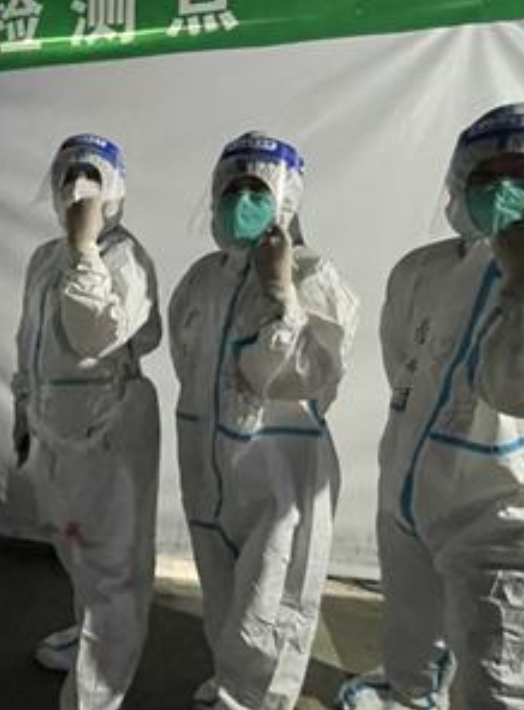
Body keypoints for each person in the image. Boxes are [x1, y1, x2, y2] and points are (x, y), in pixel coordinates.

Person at [336, 103, 524, 710]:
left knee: (495, 680)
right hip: (413, 494)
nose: (500, 188)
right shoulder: (422, 271)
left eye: (519, 173)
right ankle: (410, 698)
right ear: (459, 182)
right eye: (484, 174)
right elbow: (406, 372)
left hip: (508, 511)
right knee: (411, 640)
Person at [170, 132, 359, 710]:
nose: (242, 201)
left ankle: (255, 701)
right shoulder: (202, 278)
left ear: (286, 199)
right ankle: (232, 686)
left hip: (279, 474)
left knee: (271, 603)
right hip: (207, 461)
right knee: (222, 590)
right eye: (232, 189)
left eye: (258, 190)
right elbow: (185, 359)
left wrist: (280, 292)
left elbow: (307, 376)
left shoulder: (313, 275)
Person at [10, 134, 162, 710]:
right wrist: (24, 407)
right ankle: (90, 637)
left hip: (109, 426)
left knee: (113, 568)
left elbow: (94, 334)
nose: (78, 188)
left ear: (115, 189)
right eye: (69, 175)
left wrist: (85, 249)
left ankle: (96, 694)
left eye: (93, 177)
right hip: (56, 426)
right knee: (75, 547)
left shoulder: (124, 257)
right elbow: (29, 340)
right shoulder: (44, 258)